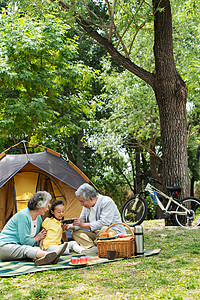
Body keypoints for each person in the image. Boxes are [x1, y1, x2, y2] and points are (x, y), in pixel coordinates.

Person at [0, 191, 67, 266]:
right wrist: (37, 238)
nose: (47, 209)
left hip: (21, 247)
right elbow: (25, 242)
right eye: (46, 206)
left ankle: (44, 258)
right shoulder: (23, 216)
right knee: (27, 249)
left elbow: (38, 238)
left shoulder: (38, 218)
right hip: (5, 246)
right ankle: (50, 255)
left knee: (35, 249)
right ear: (40, 205)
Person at [65, 183, 126, 253]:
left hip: (112, 233)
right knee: (75, 233)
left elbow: (104, 223)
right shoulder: (86, 207)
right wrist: (71, 226)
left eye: (82, 201)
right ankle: (93, 247)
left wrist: (82, 225)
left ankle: (95, 245)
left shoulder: (106, 202)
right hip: (96, 235)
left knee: (104, 229)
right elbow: (82, 221)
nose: (81, 204)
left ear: (90, 198)